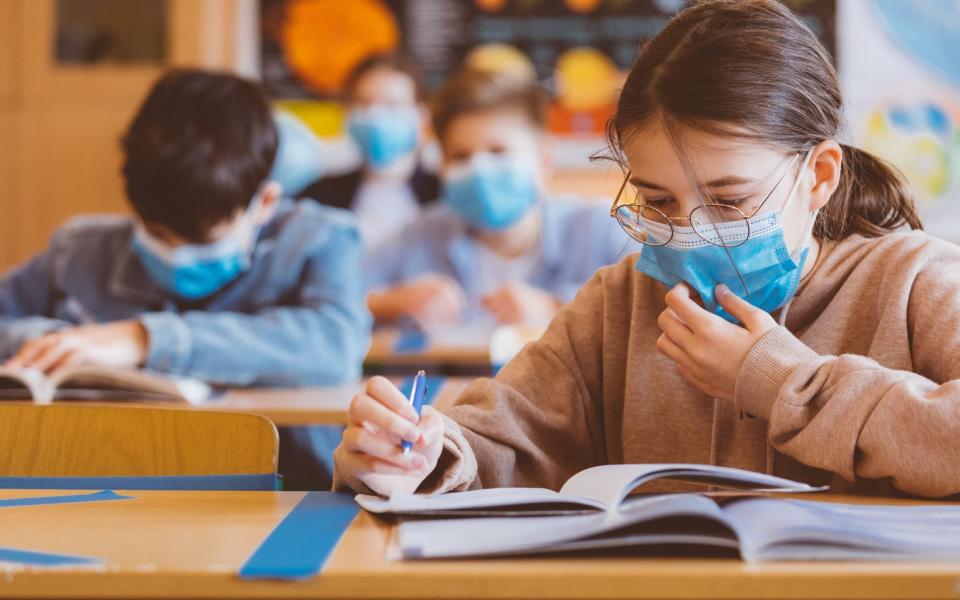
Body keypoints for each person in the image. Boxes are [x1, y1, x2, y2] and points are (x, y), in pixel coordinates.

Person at [332, 0, 960, 500]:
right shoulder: (621, 300)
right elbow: (505, 434)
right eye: (658, 202)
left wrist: (777, 383)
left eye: (731, 200)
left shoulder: (916, 282)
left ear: (819, 176)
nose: (689, 230)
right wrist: (417, 452)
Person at [0, 69, 371, 488]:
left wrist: (142, 340)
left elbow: (335, 344)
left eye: (205, 240)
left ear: (265, 202)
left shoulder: (319, 239)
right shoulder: (79, 249)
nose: (175, 254)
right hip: (104, 484)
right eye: (156, 234)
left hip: (289, 491)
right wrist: (59, 343)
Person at [365, 68, 628, 330]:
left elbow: (654, 302)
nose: (479, 169)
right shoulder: (420, 236)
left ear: (544, 158)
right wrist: (391, 302)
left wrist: (557, 308)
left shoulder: (604, 228)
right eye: (461, 156)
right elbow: (340, 291)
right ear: (442, 166)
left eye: (498, 151)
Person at [300, 54, 439, 250]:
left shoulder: (444, 195)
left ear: (422, 117)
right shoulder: (317, 199)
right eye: (363, 103)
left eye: (392, 105)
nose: (375, 116)